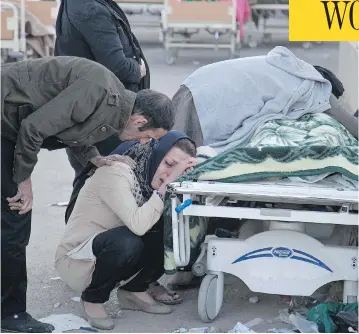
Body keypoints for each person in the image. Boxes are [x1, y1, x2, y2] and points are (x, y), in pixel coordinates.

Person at [1, 56, 174, 333]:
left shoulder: (114, 105)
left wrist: (94, 157)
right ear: (139, 120)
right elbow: (33, 128)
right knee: (15, 215)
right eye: (148, 137)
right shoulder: (98, 91)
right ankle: (10, 314)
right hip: (6, 119)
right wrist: (22, 179)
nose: (144, 144)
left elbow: (71, 131)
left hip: (13, 123)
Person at [55, 131, 197, 330]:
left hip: (111, 253)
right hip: (78, 261)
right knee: (127, 240)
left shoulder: (148, 180)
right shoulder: (116, 172)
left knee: (170, 228)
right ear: (154, 155)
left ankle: (134, 290)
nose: (169, 174)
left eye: (178, 170)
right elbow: (138, 224)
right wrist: (167, 185)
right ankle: (93, 299)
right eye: (168, 164)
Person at [172, 46, 359, 150]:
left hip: (198, 83)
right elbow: (350, 124)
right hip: (205, 97)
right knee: (181, 155)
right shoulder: (315, 87)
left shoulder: (285, 66)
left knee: (172, 148)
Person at [55, 0, 150, 181]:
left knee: (92, 183)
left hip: (93, 111)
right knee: (103, 182)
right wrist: (137, 70)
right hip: (104, 115)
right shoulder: (90, 9)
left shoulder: (80, 4)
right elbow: (118, 66)